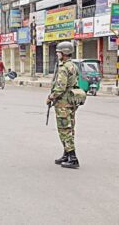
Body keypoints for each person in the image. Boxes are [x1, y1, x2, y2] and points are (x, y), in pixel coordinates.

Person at [46, 41, 79, 169]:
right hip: (71, 102)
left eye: (58, 52)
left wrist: (50, 97)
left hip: (63, 103)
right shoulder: (72, 66)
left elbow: (60, 87)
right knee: (70, 128)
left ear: (64, 53)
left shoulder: (64, 67)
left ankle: (73, 157)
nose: (57, 54)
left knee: (65, 129)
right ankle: (66, 154)